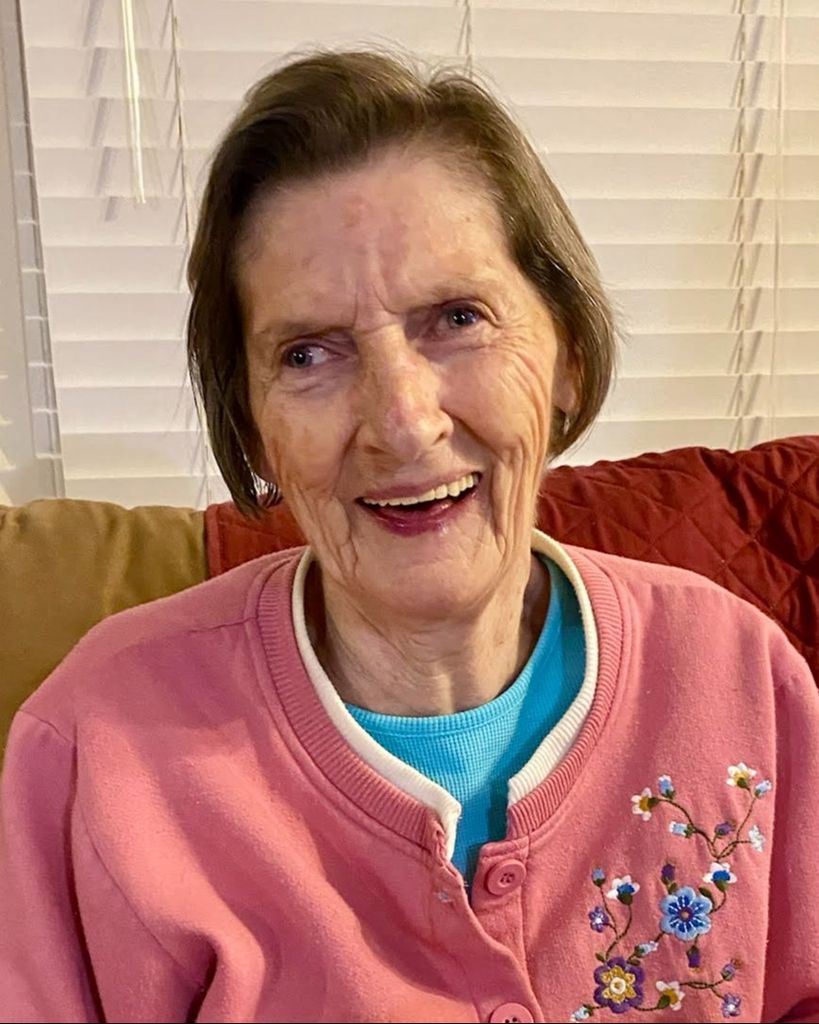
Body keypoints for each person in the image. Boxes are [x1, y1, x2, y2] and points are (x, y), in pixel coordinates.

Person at [1, 48, 817, 1024]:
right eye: (308, 353)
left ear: (565, 350)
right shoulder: (97, 746)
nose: (401, 421)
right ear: (252, 424)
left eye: (457, 317)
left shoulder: (740, 676)